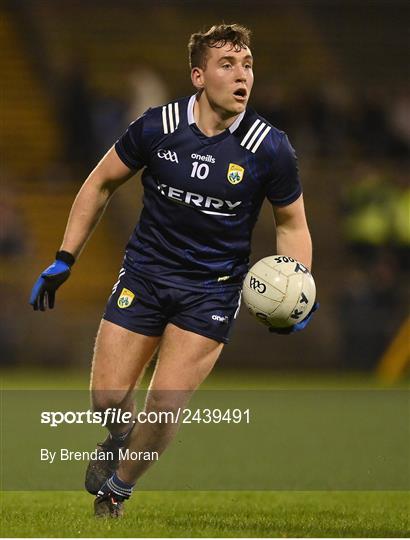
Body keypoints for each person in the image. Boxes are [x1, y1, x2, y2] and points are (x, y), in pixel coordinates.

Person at [30, 24, 316, 518]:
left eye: (247, 65)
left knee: (165, 402)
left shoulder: (271, 148)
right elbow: (99, 183)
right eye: (228, 65)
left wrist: (300, 286)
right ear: (198, 76)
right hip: (144, 275)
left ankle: (116, 492)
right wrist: (65, 257)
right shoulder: (157, 127)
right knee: (107, 398)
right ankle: (120, 437)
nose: (242, 74)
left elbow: (291, 223)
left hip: (212, 291)